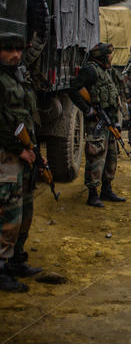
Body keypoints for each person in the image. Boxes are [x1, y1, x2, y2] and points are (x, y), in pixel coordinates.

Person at [0, 33, 43, 292]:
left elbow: (26, 117)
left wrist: (35, 149)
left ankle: (16, 259)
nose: (15, 54)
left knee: (24, 209)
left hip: (24, 153)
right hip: (7, 156)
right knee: (8, 212)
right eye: (8, 50)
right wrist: (19, 148)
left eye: (18, 49)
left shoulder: (18, 76)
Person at [69, 43, 126, 207]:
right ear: (101, 56)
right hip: (97, 122)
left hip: (108, 120)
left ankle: (107, 189)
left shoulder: (105, 71)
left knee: (111, 156)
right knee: (96, 155)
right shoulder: (91, 71)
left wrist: (115, 121)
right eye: (109, 55)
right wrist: (87, 110)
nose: (111, 57)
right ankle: (92, 194)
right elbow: (74, 89)